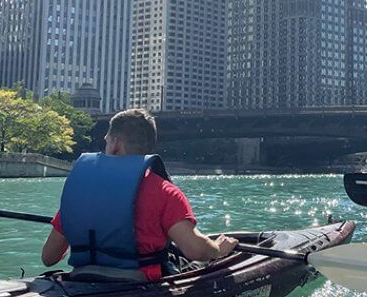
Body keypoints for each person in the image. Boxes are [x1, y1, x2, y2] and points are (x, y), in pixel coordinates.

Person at [41, 109, 237, 280]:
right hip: (141, 282)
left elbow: (49, 257)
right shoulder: (165, 192)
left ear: (115, 144)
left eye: (106, 142)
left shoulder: (82, 188)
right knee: (198, 262)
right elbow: (196, 250)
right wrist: (218, 249)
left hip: (83, 277)